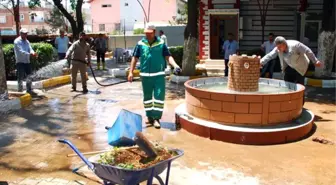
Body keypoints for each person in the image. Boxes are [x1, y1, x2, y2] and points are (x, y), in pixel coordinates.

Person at [128, 25, 181, 129]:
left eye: (149, 32)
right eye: (146, 33)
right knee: (147, 98)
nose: (147, 34)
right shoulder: (140, 44)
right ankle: (150, 117)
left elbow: (168, 56)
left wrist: (175, 65)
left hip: (158, 75)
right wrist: (131, 72)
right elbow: (135, 58)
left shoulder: (161, 43)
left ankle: (156, 118)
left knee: (159, 97)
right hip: (145, 76)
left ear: (154, 32)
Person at [260, 36, 322, 104]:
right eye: (277, 47)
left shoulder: (296, 45)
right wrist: (261, 62)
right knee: (287, 83)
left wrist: (315, 61)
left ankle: (300, 104)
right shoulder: (278, 49)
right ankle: (288, 102)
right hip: (289, 66)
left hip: (300, 66)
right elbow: (270, 55)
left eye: (279, 47)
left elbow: (307, 50)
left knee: (300, 86)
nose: (278, 49)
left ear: (284, 44)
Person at [14, 28, 38, 95]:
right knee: (20, 77)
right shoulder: (17, 41)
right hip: (20, 62)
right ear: (21, 34)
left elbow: (30, 49)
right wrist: (30, 54)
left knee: (29, 75)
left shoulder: (27, 41)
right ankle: (20, 91)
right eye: (24, 33)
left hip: (27, 61)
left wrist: (33, 53)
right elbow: (20, 51)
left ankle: (29, 89)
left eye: (26, 33)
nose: (25, 35)